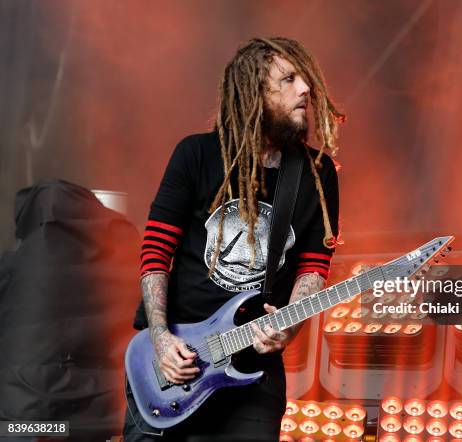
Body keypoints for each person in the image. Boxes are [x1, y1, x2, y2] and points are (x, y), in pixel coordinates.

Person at [123, 37, 344, 441]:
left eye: (305, 79)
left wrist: (288, 328)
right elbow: (156, 251)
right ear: (255, 94)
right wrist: (160, 338)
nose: (306, 89)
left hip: (252, 366)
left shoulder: (316, 172)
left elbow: (314, 266)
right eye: (289, 80)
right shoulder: (196, 155)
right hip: (178, 358)